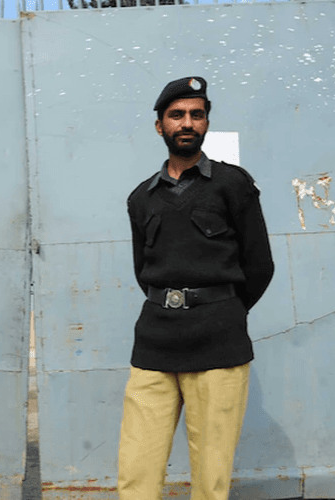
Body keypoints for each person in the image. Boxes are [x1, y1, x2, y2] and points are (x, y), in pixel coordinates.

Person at [118, 77, 274, 500]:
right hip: (154, 343)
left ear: (205, 123)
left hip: (219, 342)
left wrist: (222, 311)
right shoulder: (140, 198)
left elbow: (259, 265)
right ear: (160, 126)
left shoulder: (233, 184)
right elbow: (143, 271)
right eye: (176, 115)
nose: (187, 123)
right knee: (136, 469)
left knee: (211, 475)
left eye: (196, 115)